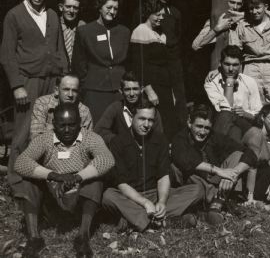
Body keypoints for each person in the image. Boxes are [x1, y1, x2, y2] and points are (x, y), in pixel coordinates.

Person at [14, 103, 115, 258]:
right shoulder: (44, 139)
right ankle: (34, 237)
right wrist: (56, 176)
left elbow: (107, 159)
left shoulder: (90, 137)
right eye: (62, 126)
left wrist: (78, 177)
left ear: (80, 123)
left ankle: (83, 236)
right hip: (53, 197)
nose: (67, 130)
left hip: (80, 199)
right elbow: (21, 163)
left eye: (72, 125)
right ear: (54, 124)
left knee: (96, 181)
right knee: (29, 181)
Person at [1, 0, 68, 189]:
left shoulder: (52, 14)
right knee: (23, 132)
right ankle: (16, 181)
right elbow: (7, 54)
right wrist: (17, 85)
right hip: (28, 82)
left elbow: (60, 49)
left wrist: (63, 79)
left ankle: (42, 180)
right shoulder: (14, 15)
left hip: (52, 81)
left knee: (49, 130)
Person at [102, 97, 202, 232]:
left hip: (154, 193)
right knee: (108, 196)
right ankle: (162, 221)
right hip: (129, 197)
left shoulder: (160, 140)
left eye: (150, 120)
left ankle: (136, 219)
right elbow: (121, 184)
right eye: (142, 119)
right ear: (132, 117)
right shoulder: (118, 142)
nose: (146, 124)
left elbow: (163, 176)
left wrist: (161, 201)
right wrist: (144, 203)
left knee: (196, 190)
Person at [171, 104, 256, 225]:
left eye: (207, 128)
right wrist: (218, 171)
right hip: (194, 186)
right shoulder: (180, 138)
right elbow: (184, 159)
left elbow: (250, 154)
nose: (203, 132)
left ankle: (216, 206)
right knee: (176, 167)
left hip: (216, 184)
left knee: (237, 155)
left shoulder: (214, 137)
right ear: (189, 123)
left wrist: (233, 174)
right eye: (199, 126)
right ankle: (212, 206)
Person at [72, 0, 130, 122]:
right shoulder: (85, 31)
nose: (112, 11)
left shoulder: (124, 32)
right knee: (97, 128)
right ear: (99, 7)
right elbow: (79, 64)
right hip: (94, 90)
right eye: (109, 7)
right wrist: (86, 86)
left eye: (116, 8)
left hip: (119, 90)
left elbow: (128, 62)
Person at [130, 0, 177, 139]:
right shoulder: (140, 30)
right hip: (153, 86)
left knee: (168, 125)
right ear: (148, 13)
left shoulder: (159, 33)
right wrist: (149, 90)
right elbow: (138, 64)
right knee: (155, 124)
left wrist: (172, 92)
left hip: (165, 86)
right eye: (158, 14)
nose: (161, 18)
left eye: (162, 14)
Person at [145, 0, 188, 129]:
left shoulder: (175, 13)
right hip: (154, 68)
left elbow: (178, 38)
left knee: (178, 107)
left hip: (173, 67)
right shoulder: (145, 11)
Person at [204, 45, 262, 141]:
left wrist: (245, 114)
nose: (231, 69)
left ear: (240, 64)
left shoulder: (249, 81)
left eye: (235, 65)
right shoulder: (211, 82)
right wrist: (229, 83)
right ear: (220, 63)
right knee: (234, 130)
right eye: (227, 64)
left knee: (237, 130)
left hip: (245, 123)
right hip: (222, 125)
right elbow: (227, 109)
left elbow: (258, 113)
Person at [94, 71, 164, 146]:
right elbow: (99, 131)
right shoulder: (115, 108)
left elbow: (159, 135)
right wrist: (119, 141)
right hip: (122, 151)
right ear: (121, 91)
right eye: (127, 89)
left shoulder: (150, 109)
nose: (131, 94)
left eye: (135, 89)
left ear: (141, 89)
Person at [29, 74, 93, 141]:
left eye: (74, 90)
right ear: (56, 90)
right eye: (66, 89)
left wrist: (51, 129)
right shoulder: (42, 103)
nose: (70, 95)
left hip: (74, 150)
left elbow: (87, 142)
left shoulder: (84, 111)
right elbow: (35, 139)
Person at [58, 0, 85, 68]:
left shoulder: (82, 26)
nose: (71, 11)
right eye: (68, 6)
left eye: (75, 8)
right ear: (61, 7)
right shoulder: (54, 24)